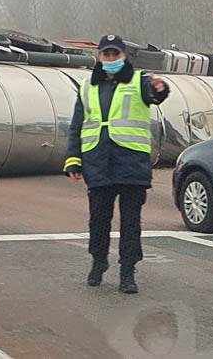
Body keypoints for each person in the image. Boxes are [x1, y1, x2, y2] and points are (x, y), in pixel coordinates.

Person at [64, 34, 169, 295]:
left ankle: (127, 272)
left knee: (131, 222)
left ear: (124, 56)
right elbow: (77, 125)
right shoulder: (87, 86)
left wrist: (160, 88)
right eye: (106, 55)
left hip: (131, 162)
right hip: (97, 161)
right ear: (99, 57)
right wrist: (73, 159)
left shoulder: (139, 81)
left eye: (115, 55)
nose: (110, 59)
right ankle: (98, 262)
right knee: (98, 219)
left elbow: (157, 94)